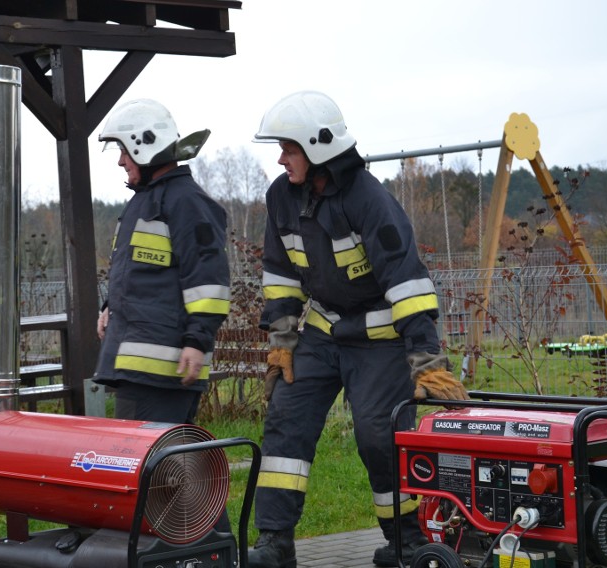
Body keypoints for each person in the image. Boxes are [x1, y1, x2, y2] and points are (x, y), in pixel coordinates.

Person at [248, 91, 470, 568]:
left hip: (380, 338)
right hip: (322, 332)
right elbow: (280, 275)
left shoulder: (369, 200)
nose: (281, 158)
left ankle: (407, 541)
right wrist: (284, 343)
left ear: (316, 146)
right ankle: (274, 541)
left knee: (378, 434)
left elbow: (407, 282)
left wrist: (427, 362)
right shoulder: (280, 198)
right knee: (286, 420)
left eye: (289, 148)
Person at [92, 98, 231, 425]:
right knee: (148, 466)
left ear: (145, 146)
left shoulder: (187, 202)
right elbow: (141, 274)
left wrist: (197, 342)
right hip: (138, 368)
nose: (121, 161)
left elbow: (208, 282)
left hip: (164, 370)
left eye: (124, 151)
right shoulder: (144, 202)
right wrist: (109, 305)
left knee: (152, 467)